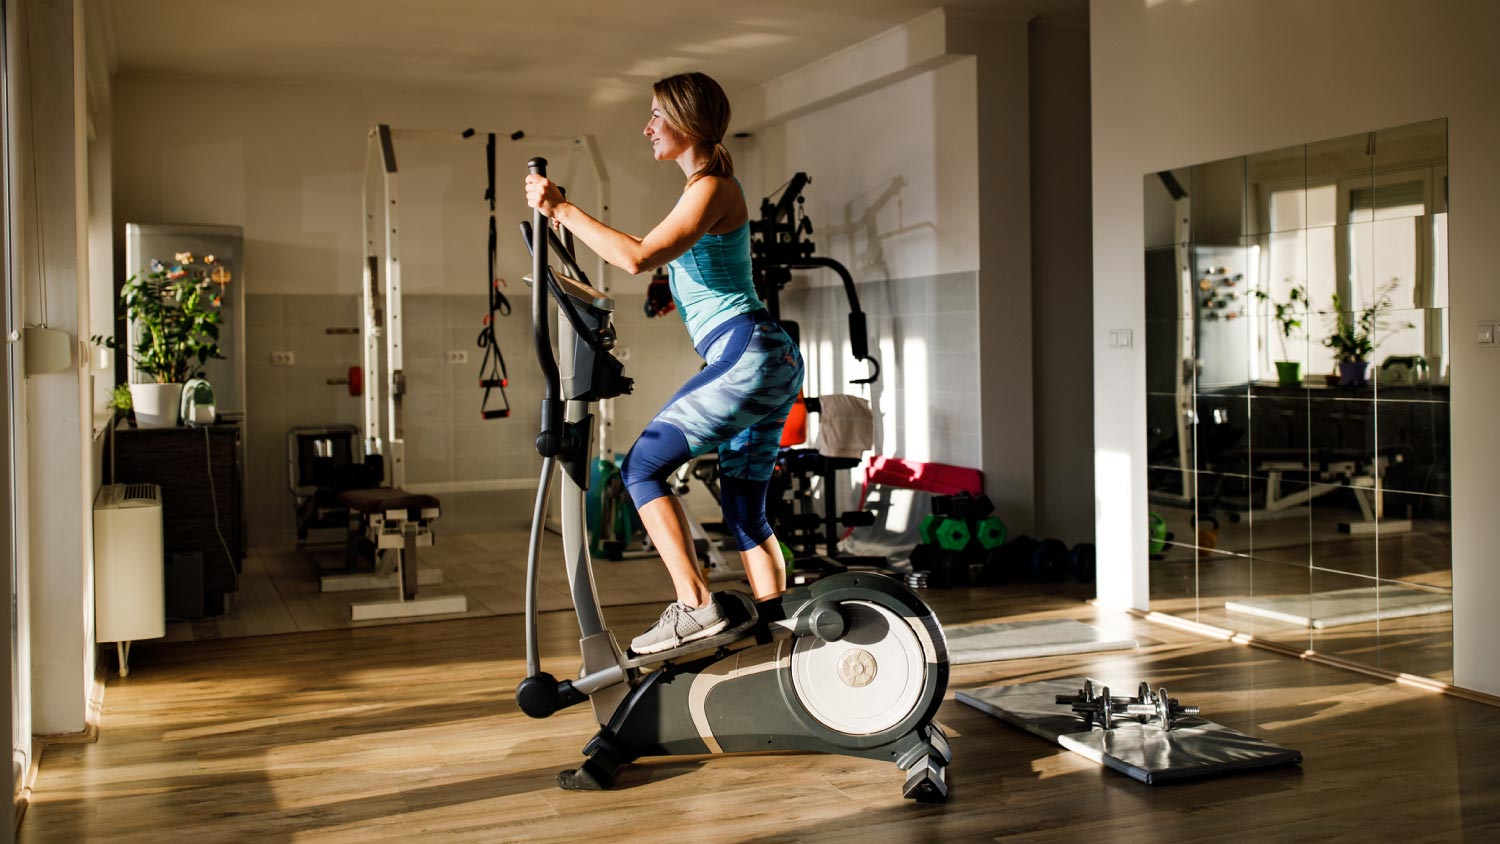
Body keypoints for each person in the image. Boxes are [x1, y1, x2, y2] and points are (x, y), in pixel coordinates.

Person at [525, 71, 803, 656]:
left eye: (656, 114)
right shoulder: (702, 191)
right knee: (745, 509)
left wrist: (565, 208)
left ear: (685, 120)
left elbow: (639, 257)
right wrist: (563, 224)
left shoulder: (711, 187)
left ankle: (696, 608)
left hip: (746, 350)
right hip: (764, 357)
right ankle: (785, 635)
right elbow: (644, 258)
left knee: (642, 466)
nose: (647, 127)